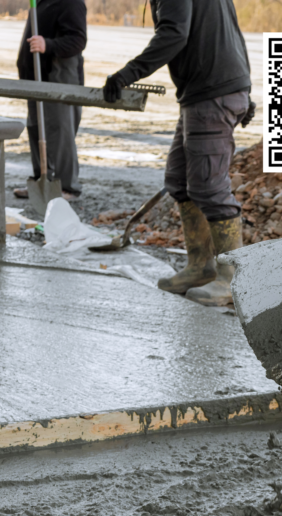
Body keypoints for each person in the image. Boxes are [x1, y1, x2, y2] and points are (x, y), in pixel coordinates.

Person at [103, 0, 254, 307]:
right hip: (205, 92)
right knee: (179, 180)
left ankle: (232, 280)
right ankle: (200, 267)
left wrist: (125, 75)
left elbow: (174, 35)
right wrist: (244, 87)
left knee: (209, 187)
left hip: (213, 93)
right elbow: (232, 32)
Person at [13, 0, 87, 200]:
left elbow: (78, 40)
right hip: (35, 77)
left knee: (60, 132)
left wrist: (48, 44)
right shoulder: (40, 2)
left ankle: (68, 187)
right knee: (36, 128)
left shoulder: (71, 3)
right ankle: (41, 180)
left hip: (59, 79)